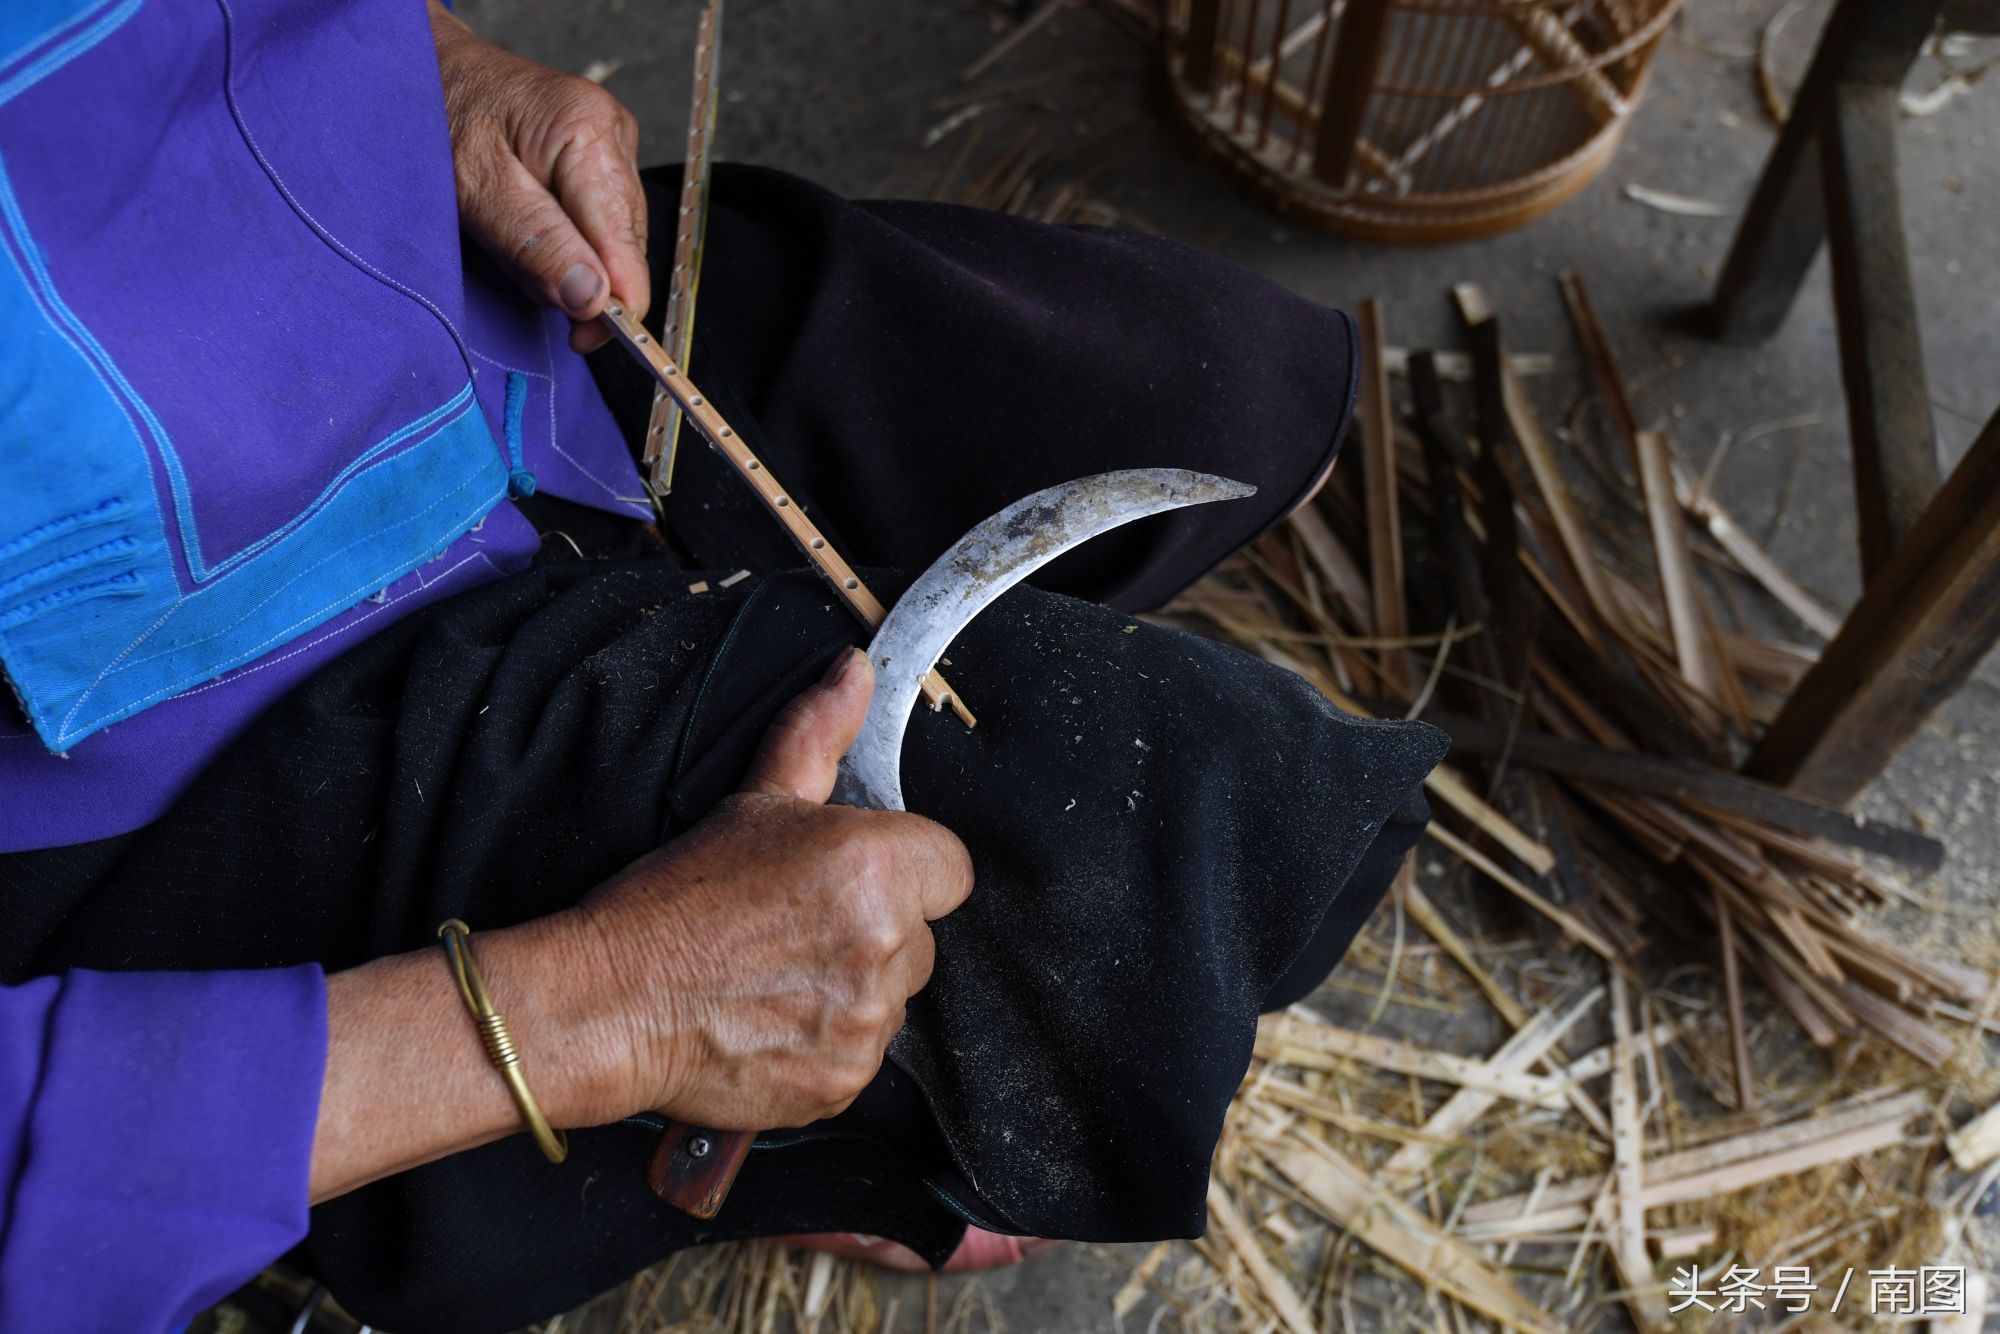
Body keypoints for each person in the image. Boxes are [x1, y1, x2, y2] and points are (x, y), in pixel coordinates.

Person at [0, 2, 1446, 1330]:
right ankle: (772, 1141)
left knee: (1217, 384)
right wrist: (606, 1008)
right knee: (1139, 835)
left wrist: (424, 64)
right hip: (180, 737)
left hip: (458, 333)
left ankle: (827, 1097)